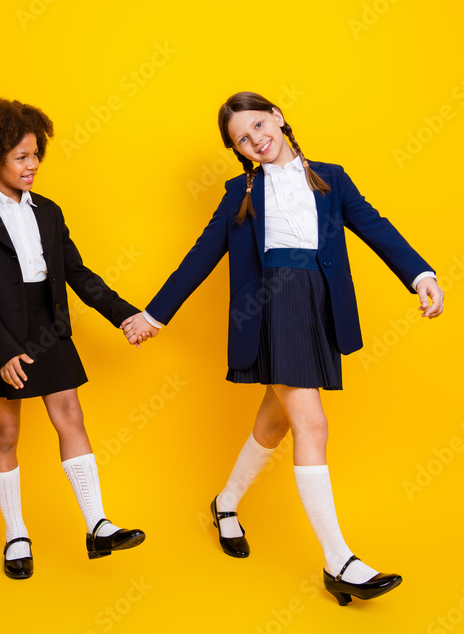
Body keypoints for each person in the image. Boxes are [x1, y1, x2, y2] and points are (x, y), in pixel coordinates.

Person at [121, 91, 444, 605]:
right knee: (312, 425)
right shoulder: (240, 192)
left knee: (275, 424)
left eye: (257, 125)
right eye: (241, 140)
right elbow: (201, 255)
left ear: (278, 117)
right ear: (237, 151)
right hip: (272, 307)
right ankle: (339, 561)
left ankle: (225, 503)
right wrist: (154, 314)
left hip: (319, 305)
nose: (254, 141)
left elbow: (374, 226)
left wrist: (420, 275)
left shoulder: (331, 178)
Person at [0, 98, 145, 580]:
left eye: (36, 154)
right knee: (5, 433)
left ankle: (97, 525)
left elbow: (77, 273)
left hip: (48, 324)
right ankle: (16, 533)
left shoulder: (50, 212)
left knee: (71, 416)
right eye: (21, 156)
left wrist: (125, 314)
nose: (32, 163)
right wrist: (1, 349)